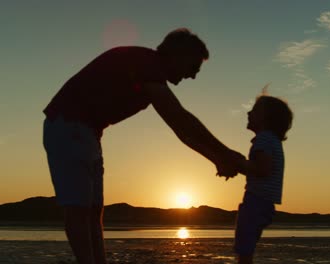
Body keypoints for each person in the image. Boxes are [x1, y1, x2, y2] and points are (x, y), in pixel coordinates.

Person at [42, 28, 244, 264]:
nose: (193, 76)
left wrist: (218, 158)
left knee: (94, 211)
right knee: (79, 210)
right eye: (194, 67)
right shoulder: (147, 64)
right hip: (70, 126)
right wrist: (225, 153)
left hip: (88, 133)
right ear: (180, 55)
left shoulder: (150, 72)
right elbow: (180, 119)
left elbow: (182, 130)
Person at [224, 94, 293, 264]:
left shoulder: (265, 139)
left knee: (244, 248)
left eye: (254, 111)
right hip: (263, 203)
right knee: (246, 247)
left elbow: (262, 169)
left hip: (257, 201)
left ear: (267, 118)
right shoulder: (271, 140)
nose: (248, 113)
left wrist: (237, 163)